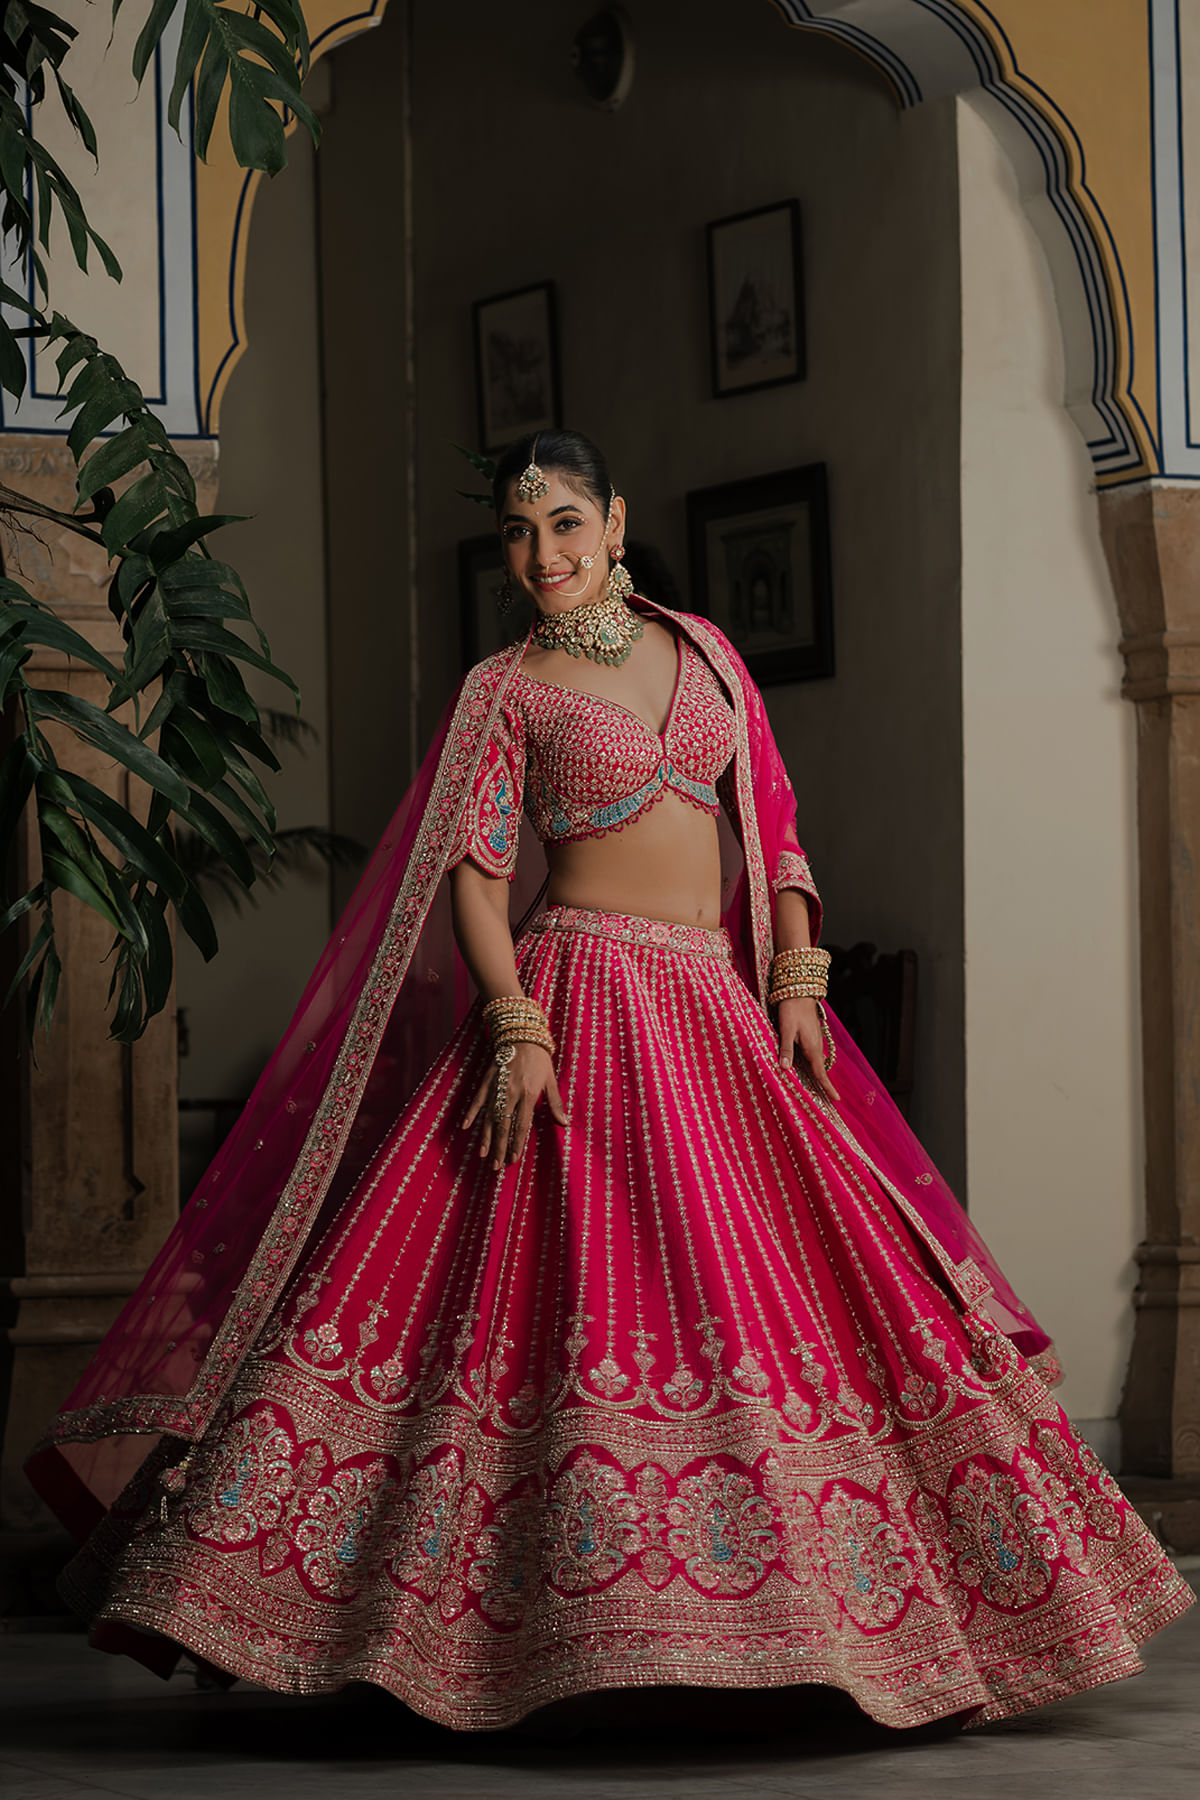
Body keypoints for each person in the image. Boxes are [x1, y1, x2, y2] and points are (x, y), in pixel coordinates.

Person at [28, 430, 1192, 1734]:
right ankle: (543, 1639)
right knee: (574, 1290)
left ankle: (798, 1626)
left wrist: (798, 983)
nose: (544, 556)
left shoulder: (705, 649)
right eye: (522, 535)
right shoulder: (503, 688)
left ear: (615, 519)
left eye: (567, 524)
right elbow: (475, 878)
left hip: (715, 1003)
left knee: (780, 1295)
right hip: (575, 1000)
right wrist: (515, 1024)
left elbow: (779, 833)